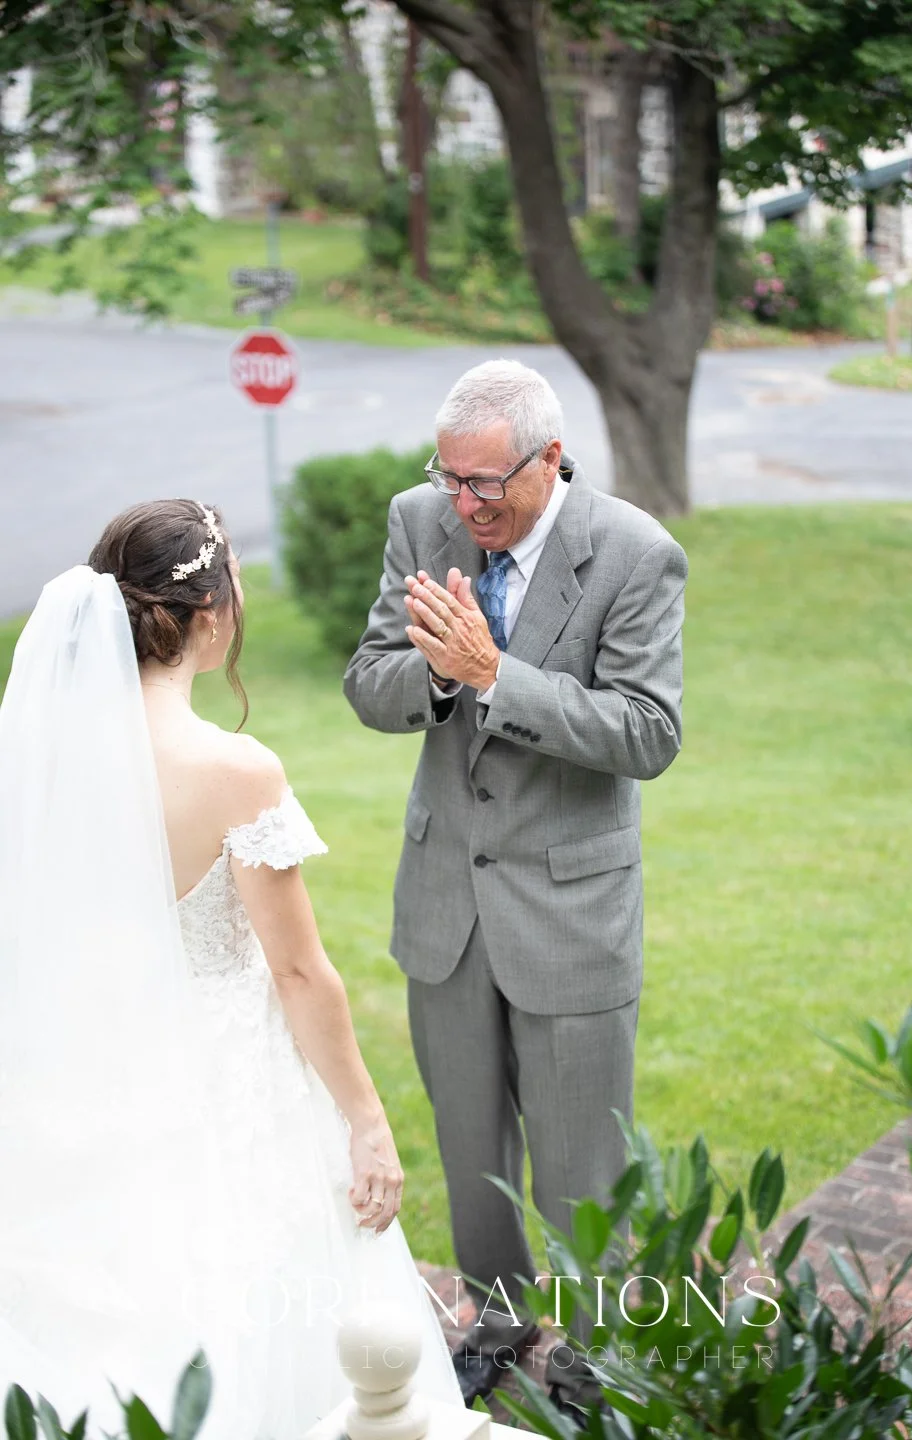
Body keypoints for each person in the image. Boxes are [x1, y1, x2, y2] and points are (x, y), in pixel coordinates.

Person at [0, 499, 461, 1440]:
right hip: (226, 1073)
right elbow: (299, 975)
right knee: (250, 1290)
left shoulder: (36, 751)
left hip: (82, 1067)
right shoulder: (234, 769)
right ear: (210, 613)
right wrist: (367, 1121)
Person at [344, 359, 688, 1427]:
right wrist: (440, 675)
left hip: (571, 911)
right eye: (450, 480)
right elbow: (370, 678)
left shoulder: (634, 553)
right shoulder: (422, 521)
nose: (465, 505)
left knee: (584, 1165)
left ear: (550, 461)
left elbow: (648, 732)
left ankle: (597, 1355)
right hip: (446, 900)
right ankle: (495, 1327)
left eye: (487, 485)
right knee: (468, 1143)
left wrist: (499, 676)